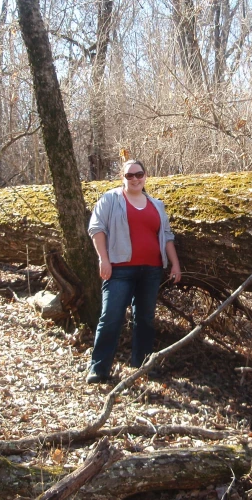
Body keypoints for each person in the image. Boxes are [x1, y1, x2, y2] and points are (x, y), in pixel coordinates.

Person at [86, 159, 181, 384]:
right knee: (111, 317)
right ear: (123, 178)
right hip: (119, 269)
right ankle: (98, 369)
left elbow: (167, 236)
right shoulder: (111, 199)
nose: (135, 179)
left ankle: (142, 365)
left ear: (146, 176)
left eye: (139, 174)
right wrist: (104, 260)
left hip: (151, 270)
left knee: (145, 319)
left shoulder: (156, 205)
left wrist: (175, 264)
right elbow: (96, 228)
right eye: (130, 175)